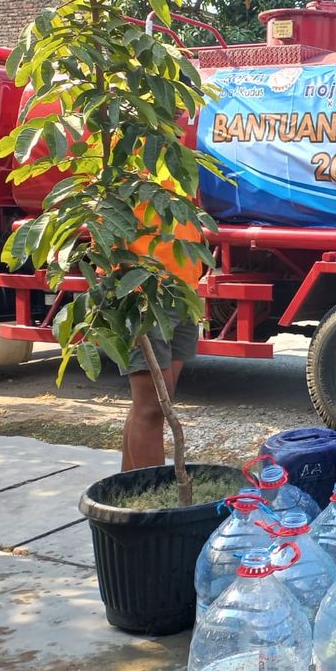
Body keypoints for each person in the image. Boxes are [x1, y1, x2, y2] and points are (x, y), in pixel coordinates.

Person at [120, 185, 204, 471]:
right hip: (146, 291)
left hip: (183, 289)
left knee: (153, 404)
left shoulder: (175, 149)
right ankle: (151, 499)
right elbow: (103, 213)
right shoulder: (124, 143)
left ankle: (128, 490)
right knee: (153, 407)